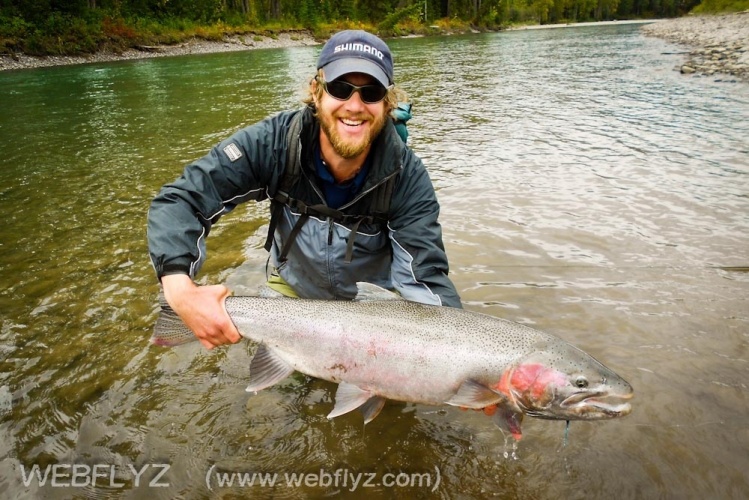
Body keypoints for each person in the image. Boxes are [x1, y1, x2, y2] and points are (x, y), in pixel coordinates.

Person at [147, 30, 461, 350]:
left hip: (374, 311)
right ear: (316, 91)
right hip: (292, 292)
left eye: (371, 92)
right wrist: (180, 289)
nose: (355, 105)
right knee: (281, 394)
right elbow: (183, 198)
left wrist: (460, 359)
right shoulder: (274, 144)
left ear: (386, 102)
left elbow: (425, 281)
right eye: (341, 89)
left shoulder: (406, 176)